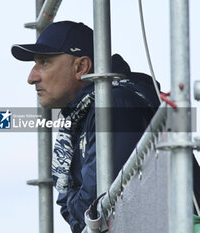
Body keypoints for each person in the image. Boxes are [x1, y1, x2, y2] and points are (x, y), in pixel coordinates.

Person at [11, 20, 200, 233]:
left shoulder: (115, 103)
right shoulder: (83, 116)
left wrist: (79, 207)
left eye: (44, 63)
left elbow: (94, 209)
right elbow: (76, 212)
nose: (32, 77)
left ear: (81, 67)